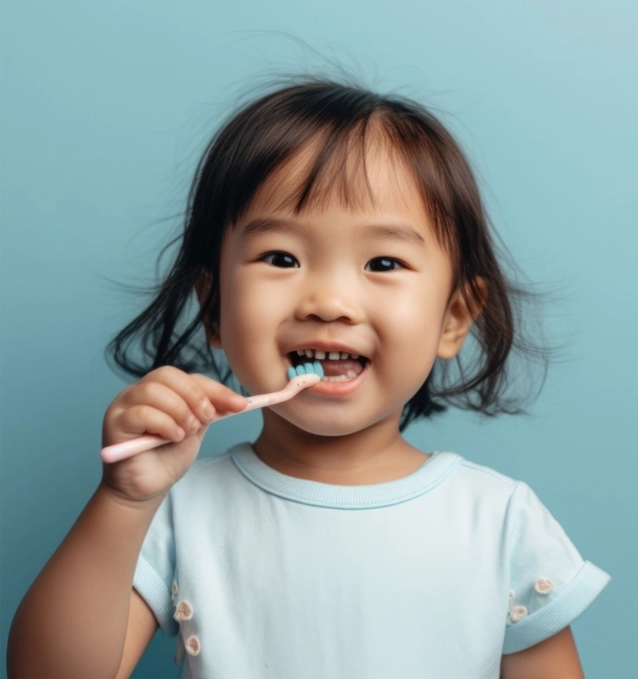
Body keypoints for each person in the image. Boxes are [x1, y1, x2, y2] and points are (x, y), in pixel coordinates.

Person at [7, 76, 611, 679]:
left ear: (452, 317)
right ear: (215, 309)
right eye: (281, 258)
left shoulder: (499, 520)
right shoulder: (178, 509)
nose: (329, 301)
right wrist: (123, 499)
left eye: (383, 262)